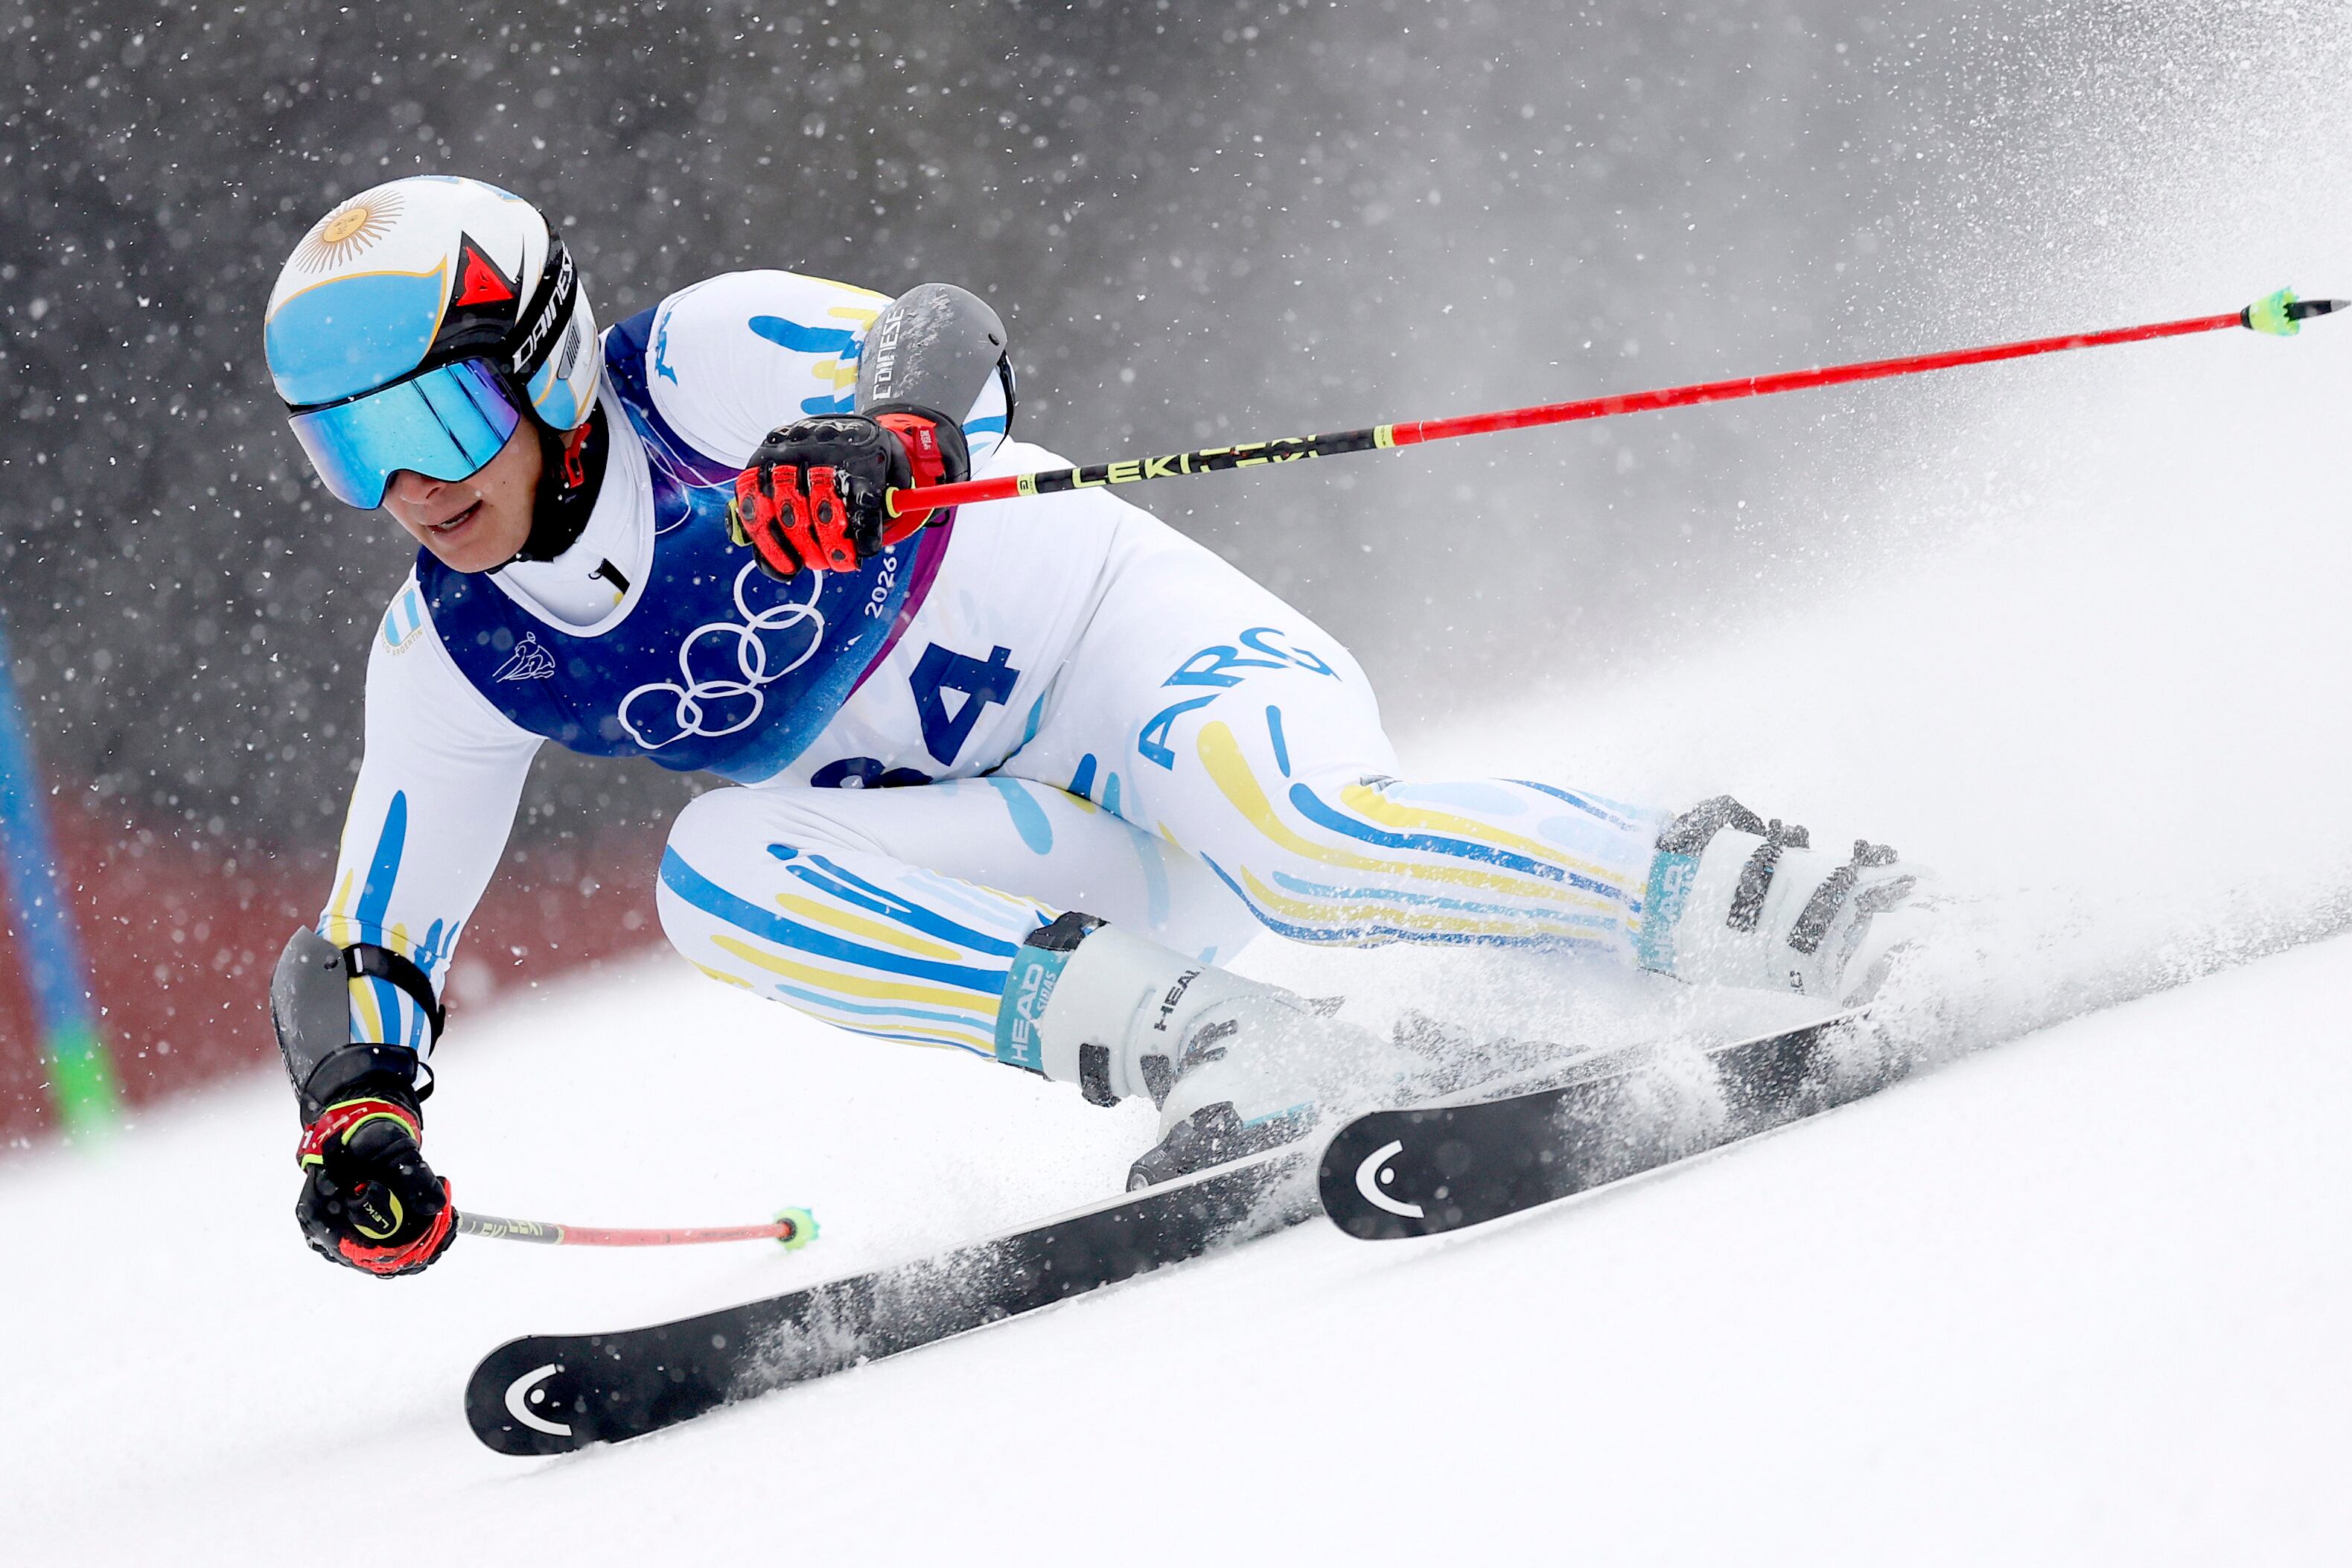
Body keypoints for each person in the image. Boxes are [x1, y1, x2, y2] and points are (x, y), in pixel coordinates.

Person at [261, 175, 1922, 1278]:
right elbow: (369, 942)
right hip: (1043, 841)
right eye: (347, 454)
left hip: (1136, 666)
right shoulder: (451, 656)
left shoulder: (693, 363)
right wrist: (358, 1118)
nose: (406, 483)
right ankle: (1247, 1053)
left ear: (542, 365)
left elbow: (942, 332)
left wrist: (877, 439)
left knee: (1308, 849)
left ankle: (1783, 903)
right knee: (711, 882)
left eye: (431, 413)